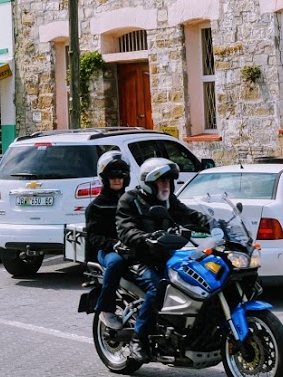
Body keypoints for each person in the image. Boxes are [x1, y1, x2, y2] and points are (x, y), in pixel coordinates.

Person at [117, 157, 211, 360]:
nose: (166, 185)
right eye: (161, 181)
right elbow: (125, 229)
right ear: (149, 183)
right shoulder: (129, 200)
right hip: (138, 259)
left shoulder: (168, 201)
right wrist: (144, 237)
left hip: (165, 256)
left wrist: (212, 223)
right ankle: (138, 339)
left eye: (168, 181)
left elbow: (188, 215)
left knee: (194, 281)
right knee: (156, 289)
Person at [85, 151, 131, 330]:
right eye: (113, 176)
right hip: (108, 251)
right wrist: (113, 244)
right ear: (105, 178)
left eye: (121, 175)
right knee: (116, 262)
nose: (117, 179)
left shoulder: (132, 201)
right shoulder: (96, 206)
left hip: (132, 247)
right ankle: (106, 309)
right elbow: (93, 237)